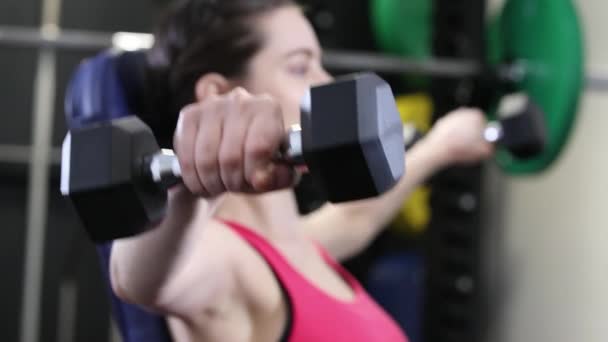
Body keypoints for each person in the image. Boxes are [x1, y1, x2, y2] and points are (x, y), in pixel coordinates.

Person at [110, 0, 494, 341]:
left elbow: (355, 219)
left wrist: (441, 147)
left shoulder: (295, 248)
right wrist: (193, 183)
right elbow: (138, 281)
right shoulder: (228, 262)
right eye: (299, 67)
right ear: (220, 96)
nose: (325, 83)